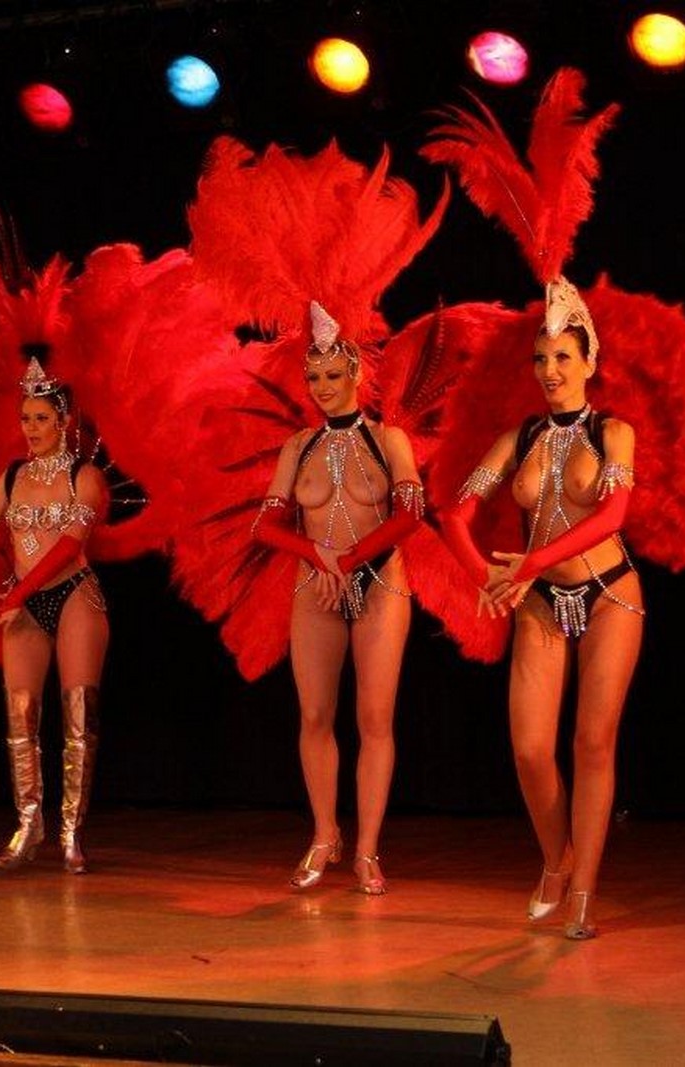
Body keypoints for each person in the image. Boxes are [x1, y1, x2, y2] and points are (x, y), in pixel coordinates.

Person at [441, 281, 643, 939]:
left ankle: (584, 890)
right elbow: (454, 514)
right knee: (530, 749)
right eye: (540, 359)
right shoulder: (519, 437)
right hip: (541, 601)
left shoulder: (614, 433)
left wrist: (527, 563)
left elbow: (612, 515)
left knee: (592, 743)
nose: (549, 371)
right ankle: (558, 860)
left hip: (610, 592)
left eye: (562, 357)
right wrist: (489, 576)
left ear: (589, 361)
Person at [251, 302, 424, 895]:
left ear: (356, 373)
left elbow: (410, 514)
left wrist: (347, 561)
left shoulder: (388, 439)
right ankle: (325, 834)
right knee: (314, 715)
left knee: (374, 718)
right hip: (316, 586)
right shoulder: (298, 446)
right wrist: (317, 555)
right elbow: (267, 526)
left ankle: (368, 849)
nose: (322, 387)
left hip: (380, 584)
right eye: (313, 378)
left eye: (332, 375)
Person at [0, 357, 109, 872]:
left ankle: (70, 832)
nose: (32, 428)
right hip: (21, 601)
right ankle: (28, 825)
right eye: (25, 418)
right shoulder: (11, 477)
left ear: (63, 420)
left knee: (78, 718)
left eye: (42, 418)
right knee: (19, 717)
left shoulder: (84, 476)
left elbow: (68, 547)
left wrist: (13, 597)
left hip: (73, 596)